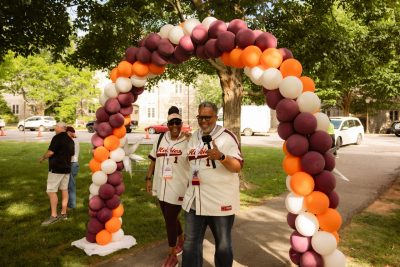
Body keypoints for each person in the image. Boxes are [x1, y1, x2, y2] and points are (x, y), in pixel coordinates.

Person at [181, 102, 243, 267]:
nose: (203, 121)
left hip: (219, 202)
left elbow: (237, 166)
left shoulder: (226, 136)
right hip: (195, 201)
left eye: (207, 117)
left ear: (216, 117)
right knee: (190, 244)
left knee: (223, 245)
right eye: (200, 117)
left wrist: (222, 157)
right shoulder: (195, 136)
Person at [145, 106, 190, 267]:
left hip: (178, 186)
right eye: (171, 122)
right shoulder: (160, 138)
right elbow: (153, 160)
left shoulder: (188, 139)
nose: (175, 126)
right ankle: (181, 239)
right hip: (161, 184)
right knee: (169, 217)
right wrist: (148, 178)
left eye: (178, 122)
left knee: (170, 219)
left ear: (182, 123)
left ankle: (172, 254)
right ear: (167, 124)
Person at [39, 122, 74, 226]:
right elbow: (71, 155)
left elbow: (50, 152)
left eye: (56, 126)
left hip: (56, 169)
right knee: (64, 190)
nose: (55, 128)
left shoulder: (57, 138)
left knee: (51, 191)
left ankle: (53, 216)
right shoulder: (70, 140)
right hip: (67, 169)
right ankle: (63, 214)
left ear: (60, 128)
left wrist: (43, 158)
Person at [66, 126, 79, 210]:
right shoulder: (75, 140)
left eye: (66, 133)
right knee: (70, 185)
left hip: (72, 163)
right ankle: (69, 203)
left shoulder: (72, 141)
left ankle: (71, 205)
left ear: (70, 132)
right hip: (75, 163)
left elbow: (70, 154)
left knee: (71, 185)